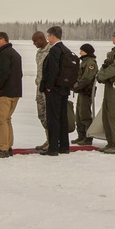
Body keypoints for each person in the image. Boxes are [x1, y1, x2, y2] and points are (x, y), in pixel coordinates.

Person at [0, 31, 22, 159]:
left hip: (6, 92)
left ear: (3, 40)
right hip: (15, 91)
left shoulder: (4, 54)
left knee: (1, 119)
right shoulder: (14, 54)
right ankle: (8, 146)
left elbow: (3, 72)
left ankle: (3, 148)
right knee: (7, 119)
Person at [39, 26, 72, 156]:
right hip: (64, 89)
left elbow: (53, 70)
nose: (48, 39)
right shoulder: (66, 49)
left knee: (53, 118)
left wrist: (48, 86)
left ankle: (53, 148)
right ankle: (64, 146)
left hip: (54, 90)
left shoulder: (55, 50)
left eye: (48, 36)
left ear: (53, 36)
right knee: (63, 118)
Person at [72, 43, 98, 145]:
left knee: (85, 115)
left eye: (82, 51)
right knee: (79, 115)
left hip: (86, 92)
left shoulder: (90, 63)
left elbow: (87, 78)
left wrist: (76, 86)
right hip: (82, 92)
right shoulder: (84, 62)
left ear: (86, 52)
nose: (80, 53)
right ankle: (81, 136)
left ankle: (88, 137)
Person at [32, 30, 50, 150]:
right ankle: (48, 138)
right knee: (41, 114)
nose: (34, 44)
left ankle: (52, 140)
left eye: (35, 41)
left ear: (42, 39)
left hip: (48, 88)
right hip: (39, 87)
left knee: (49, 115)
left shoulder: (51, 51)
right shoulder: (39, 53)